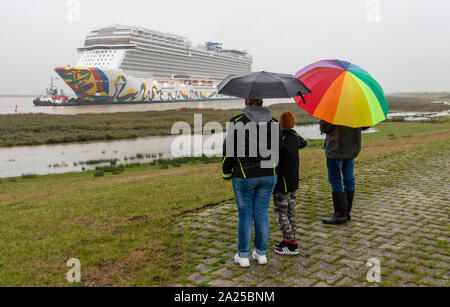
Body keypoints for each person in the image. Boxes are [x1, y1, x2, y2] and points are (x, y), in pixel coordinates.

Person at [222, 98, 281, 267]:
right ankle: (261, 254)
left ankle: (243, 256)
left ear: (246, 103)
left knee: (246, 215)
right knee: (262, 213)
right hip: (269, 174)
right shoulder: (275, 123)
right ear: (261, 103)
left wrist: (226, 172)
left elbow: (229, 150)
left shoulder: (237, 121)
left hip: (244, 175)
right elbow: (278, 150)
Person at [320, 120, 368, 224]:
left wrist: (323, 120)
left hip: (335, 150)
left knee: (336, 181)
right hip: (351, 149)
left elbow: (325, 128)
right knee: (349, 180)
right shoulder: (356, 107)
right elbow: (365, 126)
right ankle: (346, 213)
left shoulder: (332, 109)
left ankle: (339, 215)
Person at [272, 111, 307, 255]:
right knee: (291, 211)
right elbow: (303, 142)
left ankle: (291, 244)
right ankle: (289, 239)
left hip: (282, 183)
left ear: (280, 123)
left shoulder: (281, 139)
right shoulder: (295, 137)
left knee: (281, 212)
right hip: (293, 182)